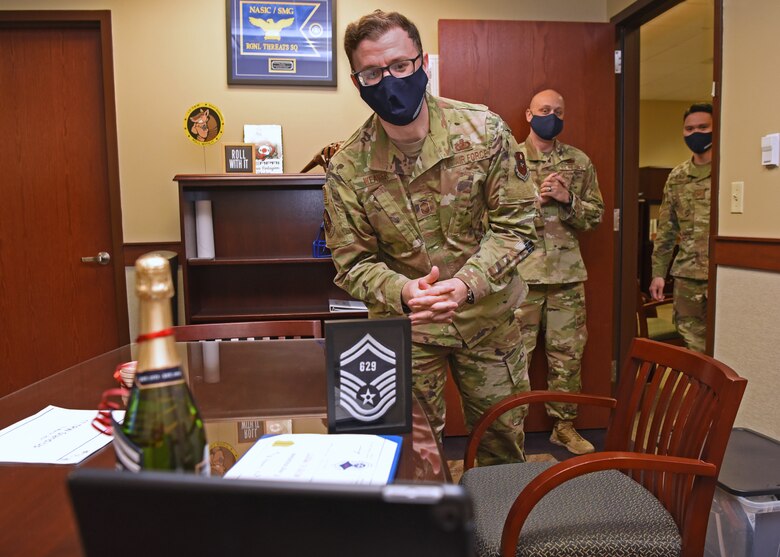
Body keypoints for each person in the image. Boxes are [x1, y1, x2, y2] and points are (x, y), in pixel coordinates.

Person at [322, 10, 538, 466]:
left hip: (488, 318)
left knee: (502, 444)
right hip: (408, 328)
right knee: (412, 456)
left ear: (422, 63)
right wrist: (405, 291)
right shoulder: (347, 167)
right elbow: (353, 262)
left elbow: (517, 227)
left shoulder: (484, 132)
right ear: (357, 82)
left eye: (401, 65)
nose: (389, 80)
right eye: (372, 73)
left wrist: (465, 284)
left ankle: (496, 515)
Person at [514, 89, 605, 455]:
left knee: (568, 355)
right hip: (521, 277)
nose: (551, 116)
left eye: (558, 111)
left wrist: (568, 200)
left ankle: (563, 427)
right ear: (528, 114)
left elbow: (595, 217)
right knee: (514, 356)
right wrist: (533, 202)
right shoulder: (509, 158)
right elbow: (490, 216)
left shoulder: (578, 162)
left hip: (567, 277)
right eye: (544, 109)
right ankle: (509, 431)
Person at [649, 102, 713, 353]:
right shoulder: (677, 177)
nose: (695, 133)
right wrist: (658, 273)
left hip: (720, 274)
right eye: (689, 129)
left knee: (726, 341)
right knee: (691, 345)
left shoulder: (727, 172)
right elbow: (666, 230)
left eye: (703, 127)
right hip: (687, 276)